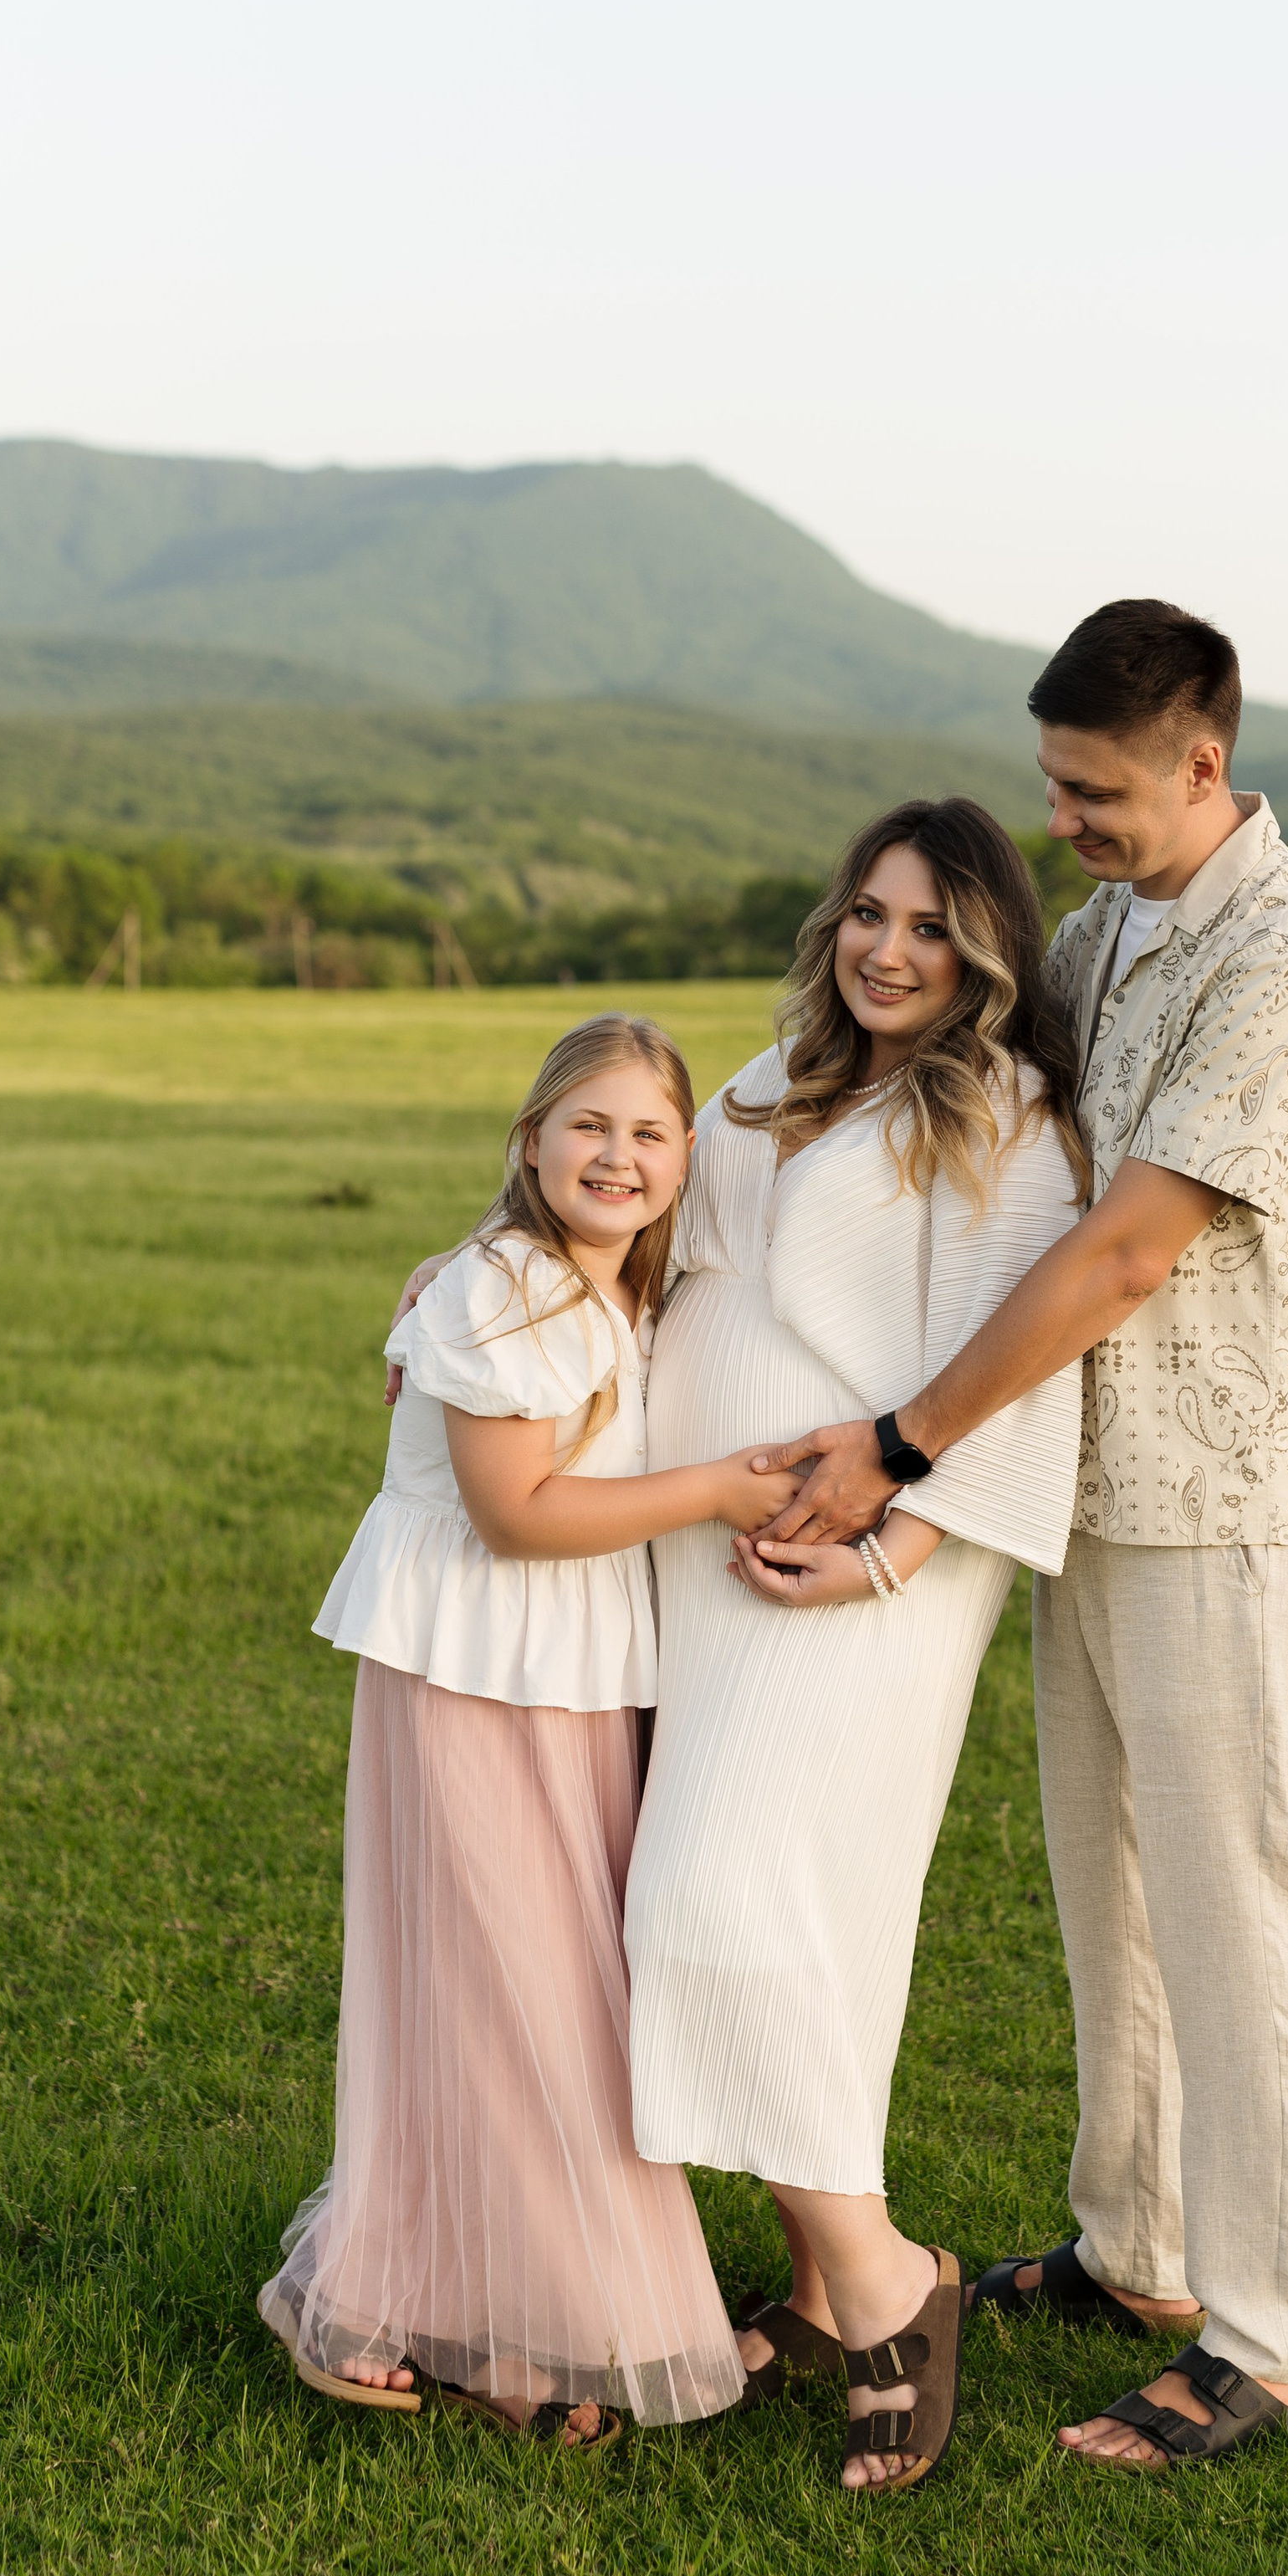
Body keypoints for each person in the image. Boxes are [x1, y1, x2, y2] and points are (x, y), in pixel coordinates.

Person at [752, 602, 1288, 2472]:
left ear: (1203, 762)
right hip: (1083, 1487)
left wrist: (898, 1445)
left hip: (1226, 1497)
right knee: (1102, 1885)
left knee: (1230, 1899)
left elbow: (1122, 1246)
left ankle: (1268, 2341)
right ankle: (1141, 2251)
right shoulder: (1100, 936)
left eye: (1095, 791)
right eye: (1052, 786)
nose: (1065, 822)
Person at [623, 799, 1090, 2492]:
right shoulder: (766, 1078)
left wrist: (891, 1545)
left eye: (932, 928)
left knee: (714, 1895)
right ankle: (822, 2290)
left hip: (866, 1570)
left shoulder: (1012, 1122)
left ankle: (893, 2279)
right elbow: (633, 1229)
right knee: (786, 1915)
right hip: (705, 1553)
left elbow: (1033, 1365)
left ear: (986, 955)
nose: (888, 949)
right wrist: (466, 1299)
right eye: (869, 914)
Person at [259, 1012, 802, 2445]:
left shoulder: (617, 1286)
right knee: (501, 1991)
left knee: (553, 1993)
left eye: (648, 1134)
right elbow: (515, 1515)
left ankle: (510, 2305)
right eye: (588, 1127)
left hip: (568, 1677)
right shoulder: (499, 1289)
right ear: (530, 1142)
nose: (618, 1156)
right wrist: (722, 1489)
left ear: (688, 1159)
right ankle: (431, 2308)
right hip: (472, 1673)